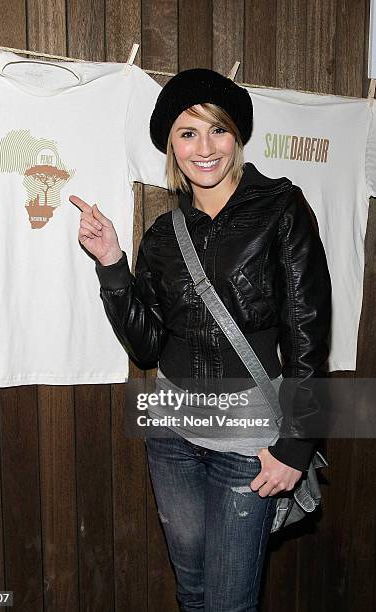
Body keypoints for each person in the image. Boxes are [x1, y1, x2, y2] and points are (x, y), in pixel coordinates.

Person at [69, 68, 332, 611]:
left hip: (251, 439)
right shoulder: (164, 236)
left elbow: (309, 338)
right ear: (171, 145)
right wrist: (113, 264)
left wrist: (296, 446)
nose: (204, 147)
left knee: (231, 601)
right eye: (188, 134)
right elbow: (146, 348)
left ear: (235, 136)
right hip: (172, 434)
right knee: (192, 591)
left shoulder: (281, 208)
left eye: (217, 129)